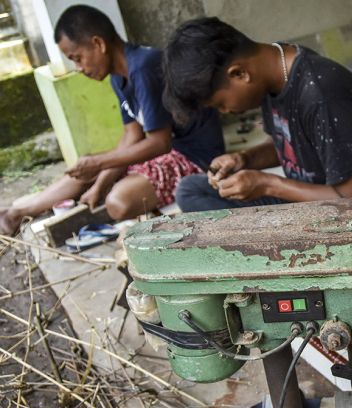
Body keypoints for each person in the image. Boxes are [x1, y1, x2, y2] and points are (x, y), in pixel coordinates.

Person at [0, 5, 224, 236]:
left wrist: (101, 167)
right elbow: (132, 136)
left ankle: (21, 212)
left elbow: (160, 143)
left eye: (78, 58)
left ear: (98, 44)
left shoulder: (144, 67)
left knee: (118, 201)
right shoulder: (118, 77)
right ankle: (17, 212)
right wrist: (99, 180)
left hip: (194, 157)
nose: (78, 68)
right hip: (165, 154)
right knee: (86, 171)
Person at [162, 18, 352, 213]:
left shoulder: (323, 95)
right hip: (309, 202)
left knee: (207, 212)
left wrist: (268, 184)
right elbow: (291, 145)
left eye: (221, 103)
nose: (225, 111)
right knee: (190, 190)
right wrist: (244, 159)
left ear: (240, 73)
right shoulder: (272, 72)